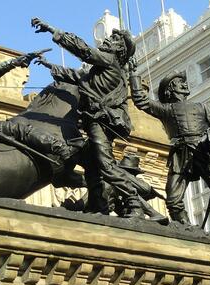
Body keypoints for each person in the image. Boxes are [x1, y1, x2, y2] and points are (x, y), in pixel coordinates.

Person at [128, 63, 210, 243]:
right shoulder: (166, 109)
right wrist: (133, 74)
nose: (184, 85)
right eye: (180, 82)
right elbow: (140, 100)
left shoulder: (202, 107)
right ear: (171, 89)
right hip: (181, 156)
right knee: (173, 199)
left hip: (203, 152)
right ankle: (186, 230)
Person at [31, 17, 143, 218]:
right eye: (111, 37)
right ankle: (97, 205)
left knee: (106, 166)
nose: (108, 40)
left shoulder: (110, 61)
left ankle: (133, 202)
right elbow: (78, 78)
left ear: (120, 50)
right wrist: (51, 67)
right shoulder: (100, 70)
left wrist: (53, 30)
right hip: (93, 121)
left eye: (115, 39)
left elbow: (84, 50)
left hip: (100, 121)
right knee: (92, 166)